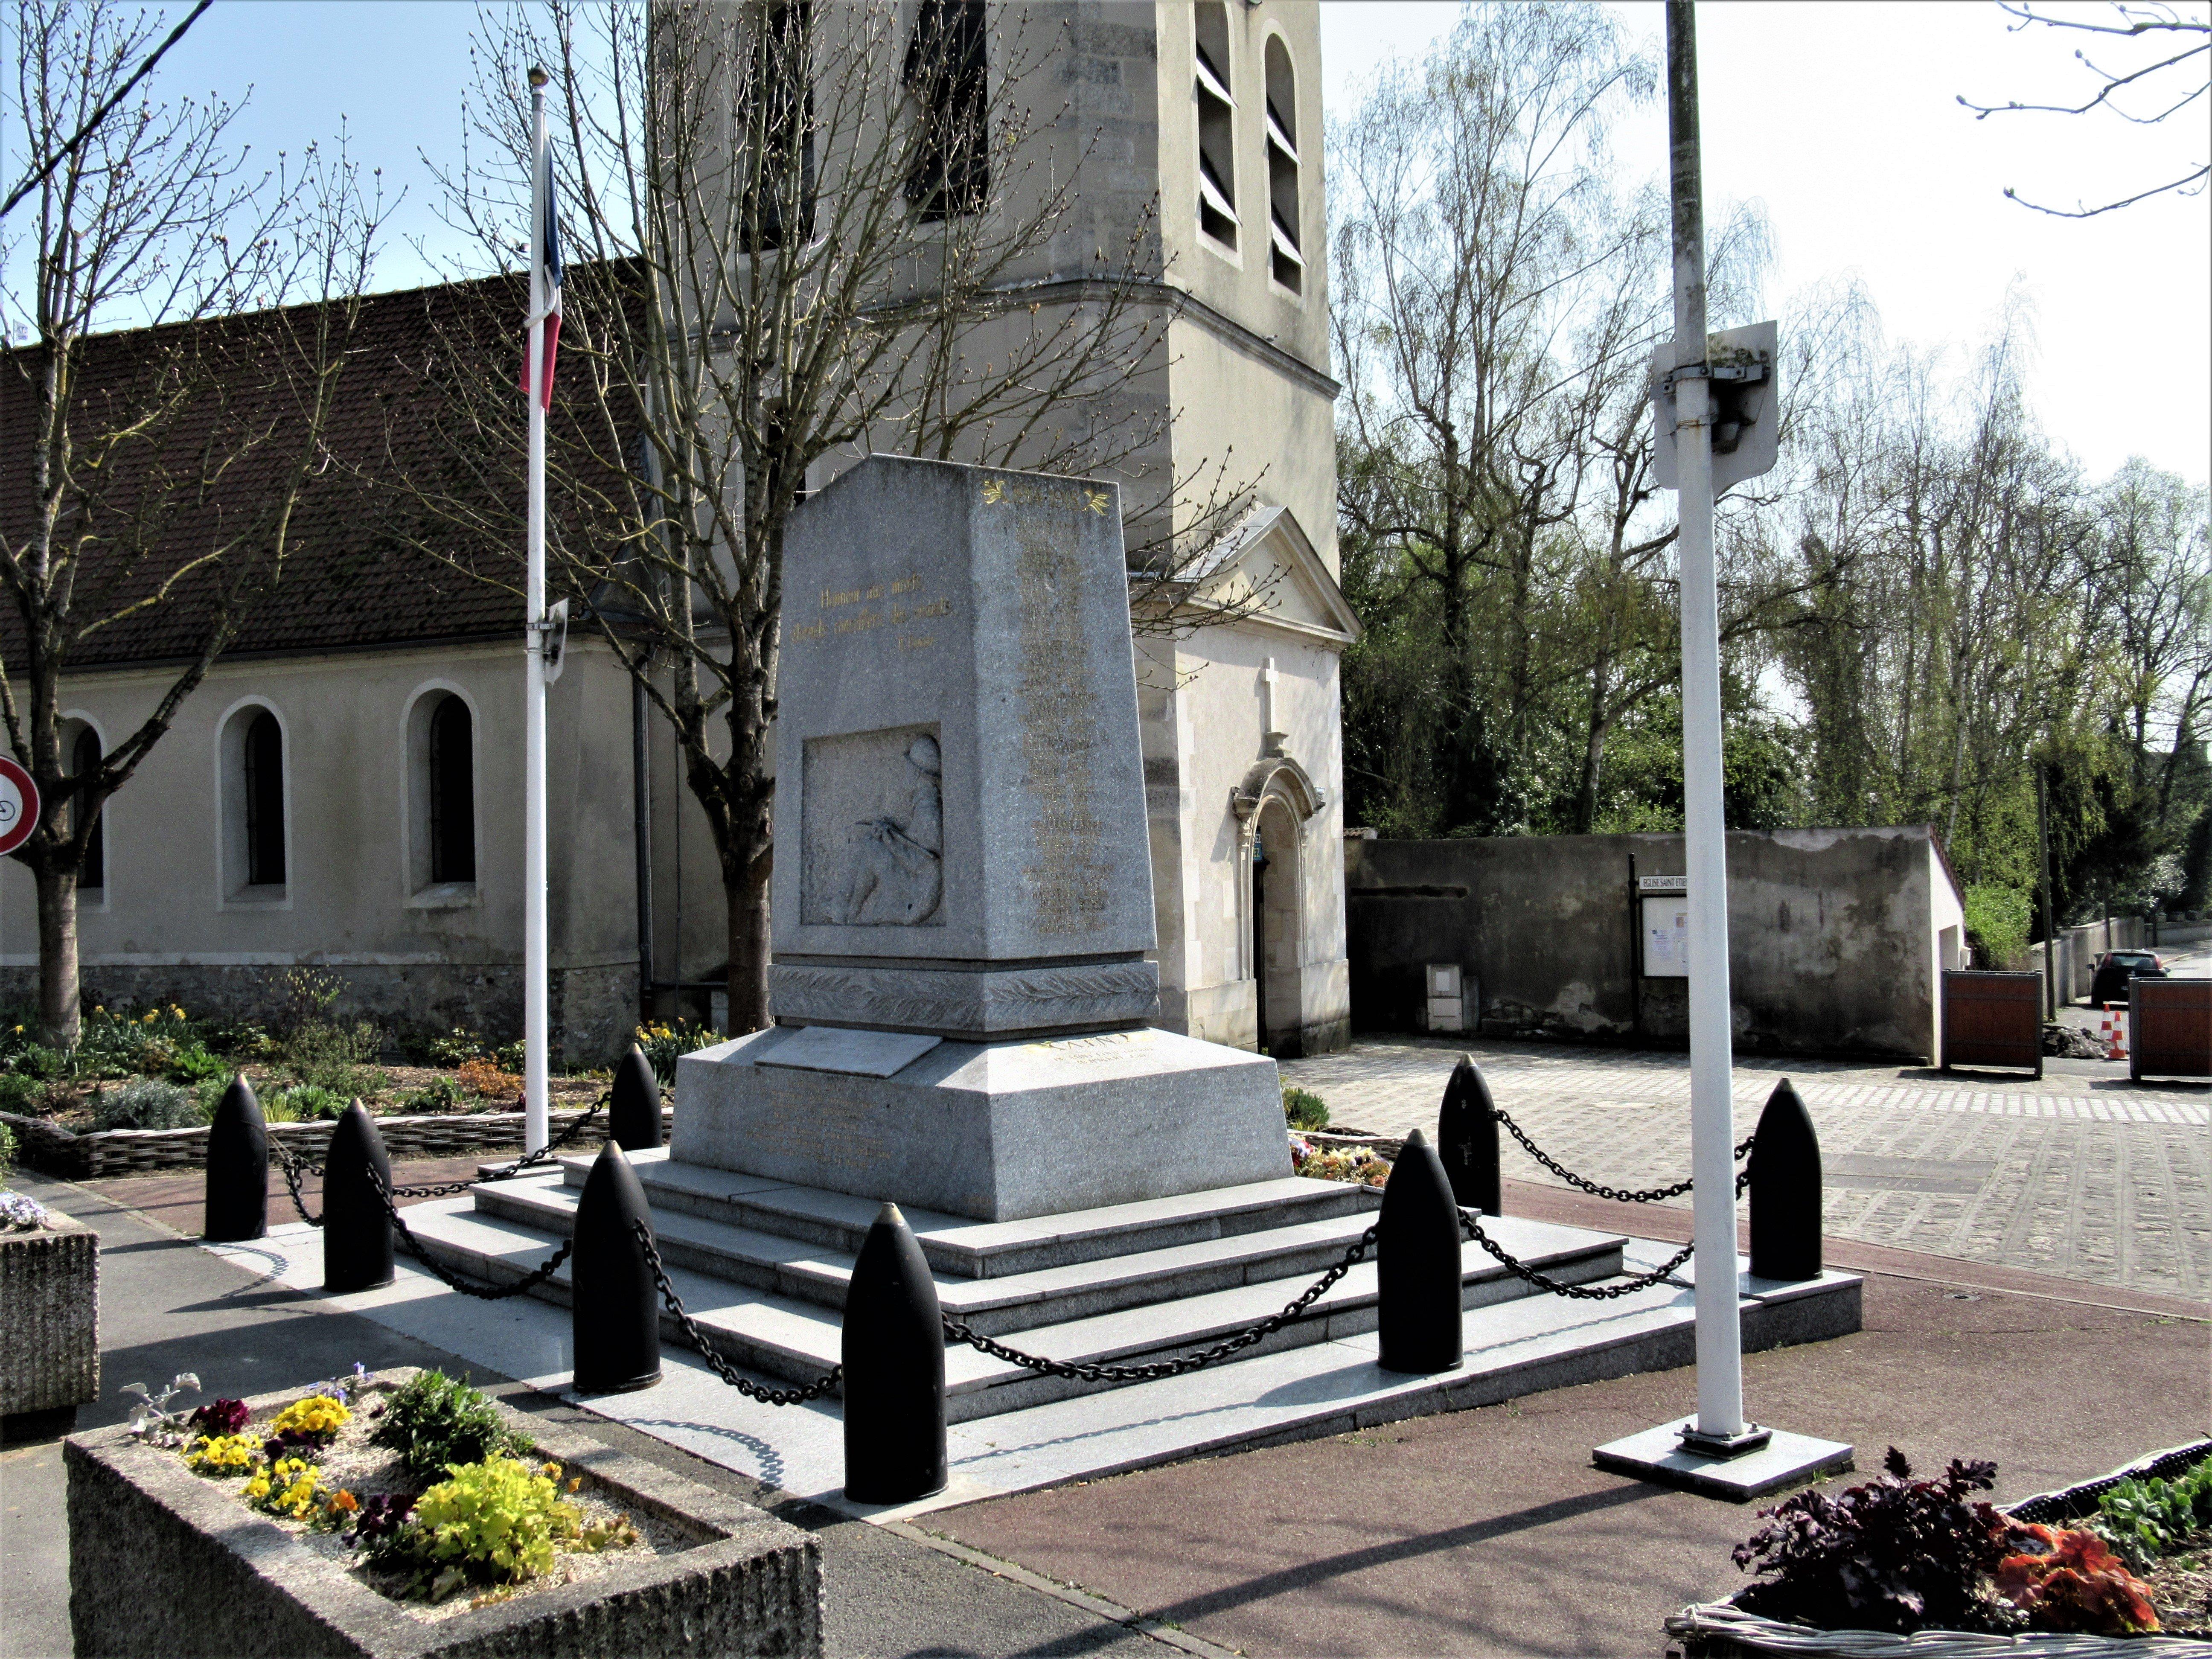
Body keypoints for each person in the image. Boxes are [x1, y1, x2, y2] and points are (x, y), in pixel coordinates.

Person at [835, 733, 943, 925]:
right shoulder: (924, 804)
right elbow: (915, 846)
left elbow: (921, 862)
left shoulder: (929, 811)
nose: (905, 774)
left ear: (918, 774)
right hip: (917, 885)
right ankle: (848, 906)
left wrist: (889, 840)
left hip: (918, 897)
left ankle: (851, 912)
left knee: (871, 849)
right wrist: (889, 833)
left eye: (908, 769)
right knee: (871, 842)